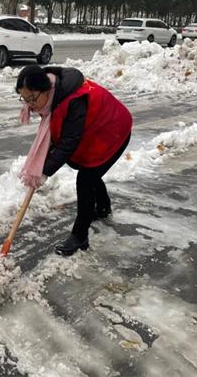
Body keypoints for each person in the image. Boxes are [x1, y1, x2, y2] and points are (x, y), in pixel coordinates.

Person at [16, 65, 132, 256]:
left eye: (32, 99)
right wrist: (41, 161)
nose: (30, 105)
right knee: (92, 172)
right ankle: (103, 207)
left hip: (113, 131)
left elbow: (68, 142)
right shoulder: (53, 95)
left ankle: (79, 236)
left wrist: (44, 170)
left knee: (87, 178)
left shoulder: (72, 100)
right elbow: (54, 135)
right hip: (97, 129)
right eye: (24, 99)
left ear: (45, 89)